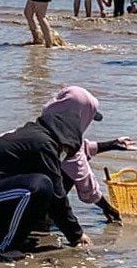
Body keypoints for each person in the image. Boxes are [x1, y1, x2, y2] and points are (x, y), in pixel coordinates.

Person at [0, 98, 92, 259]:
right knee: (40, 187)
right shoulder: (44, 144)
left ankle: (1, 234)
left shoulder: (33, 135)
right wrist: (76, 235)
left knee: (37, 187)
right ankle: (6, 246)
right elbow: (57, 195)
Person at [40, 85, 132, 224]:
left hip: (9, 189)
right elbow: (84, 180)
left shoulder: (46, 124)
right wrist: (107, 208)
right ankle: (43, 217)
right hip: (27, 197)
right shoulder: (66, 146)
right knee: (69, 175)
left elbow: (79, 150)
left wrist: (112, 144)